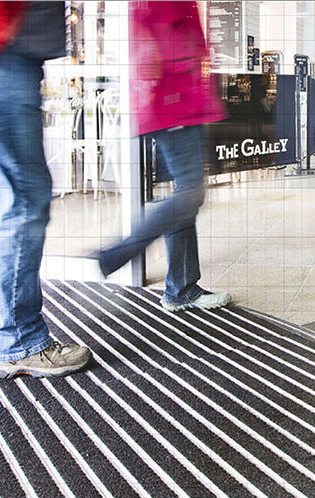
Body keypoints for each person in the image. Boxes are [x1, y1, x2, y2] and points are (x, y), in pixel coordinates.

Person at [0, 1, 90, 378]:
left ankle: (18, 335)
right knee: (25, 196)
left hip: (4, 56)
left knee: (11, 192)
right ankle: (18, 340)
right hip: (3, 55)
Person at [99, 1, 232, 312]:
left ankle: (181, 287)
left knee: (184, 195)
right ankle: (118, 253)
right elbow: (159, 45)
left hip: (181, 101)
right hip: (174, 101)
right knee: (190, 194)